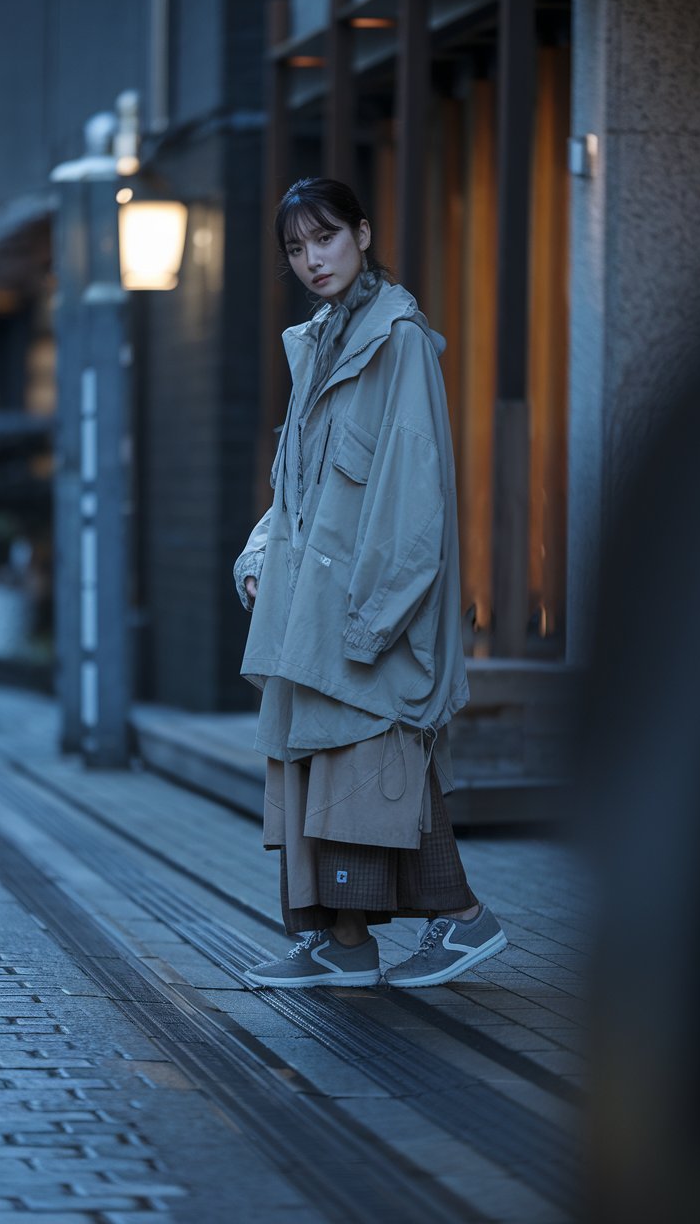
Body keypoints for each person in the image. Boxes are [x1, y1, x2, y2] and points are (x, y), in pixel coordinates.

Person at [233, 177, 506, 989]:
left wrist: (372, 620)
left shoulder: (399, 340)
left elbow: (414, 495)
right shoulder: (317, 343)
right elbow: (297, 480)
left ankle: (463, 922)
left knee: (368, 769)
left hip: (367, 610)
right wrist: (259, 559)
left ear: (362, 233)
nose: (312, 259)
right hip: (312, 608)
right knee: (323, 770)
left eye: (325, 238)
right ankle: (343, 941)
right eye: (295, 247)